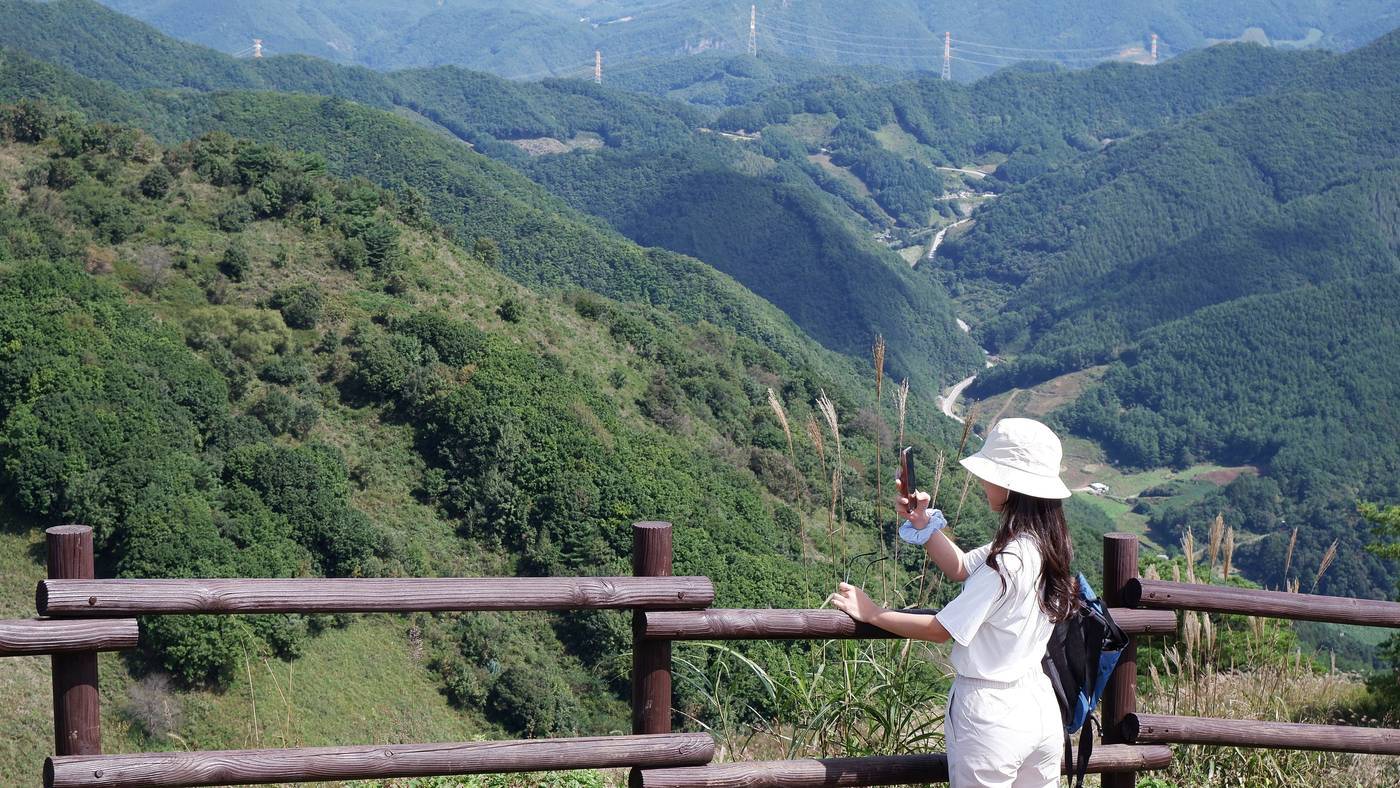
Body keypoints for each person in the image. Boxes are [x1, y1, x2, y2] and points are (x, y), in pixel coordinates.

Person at [827, 418, 1077, 788]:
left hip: (992, 716)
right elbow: (961, 568)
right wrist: (923, 522)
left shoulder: (1007, 561)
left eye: (990, 473)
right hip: (1039, 708)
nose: (982, 481)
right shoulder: (1042, 544)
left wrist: (872, 612)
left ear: (1011, 485)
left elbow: (941, 630)